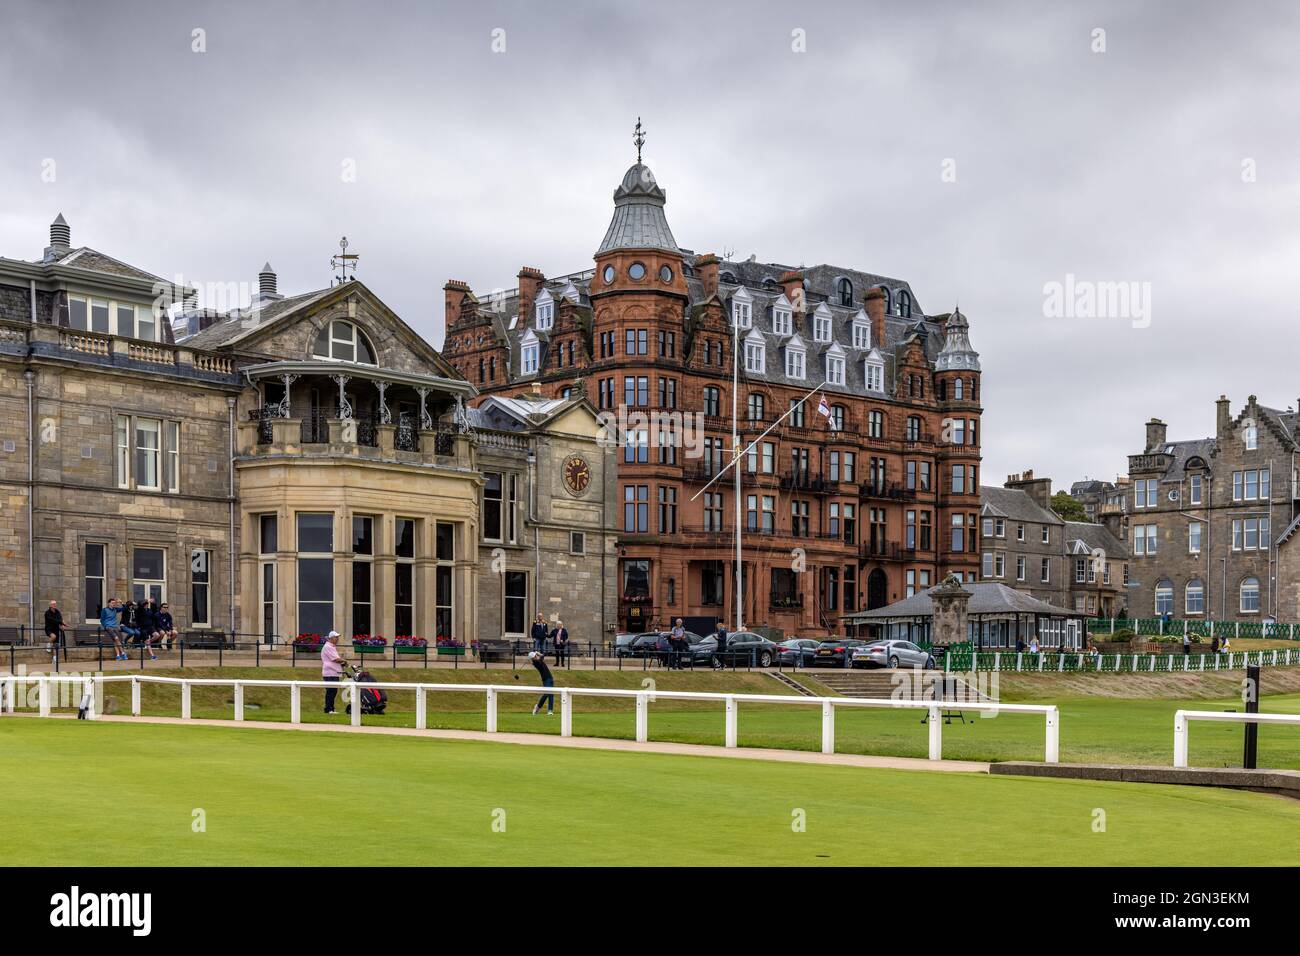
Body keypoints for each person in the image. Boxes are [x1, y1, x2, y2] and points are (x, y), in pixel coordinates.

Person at [321, 631, 346, 714]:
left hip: (334, 672)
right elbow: (335, 659)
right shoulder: (328, 647)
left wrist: (342, 663)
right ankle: (328, 709)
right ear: (331, 638)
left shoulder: (332, 647)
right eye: (336, 637)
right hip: (330, 672)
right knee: (331, 691)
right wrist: (344, 661)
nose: (337, 639)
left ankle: (331, 708)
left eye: (338, 637)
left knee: (333, 691)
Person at [529, 650, 555, 715]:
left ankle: (546, 709)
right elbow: (542, 657)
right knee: (548, 693)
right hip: (546, 679)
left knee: (550, 694)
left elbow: (542, 656)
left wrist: (538, 654)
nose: (536, 656)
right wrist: (539, 654)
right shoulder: (536, 662)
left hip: (550, 678)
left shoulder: (537, 660)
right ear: (533, 658)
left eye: (536, 655)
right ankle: (545, 709)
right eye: (535, 656)